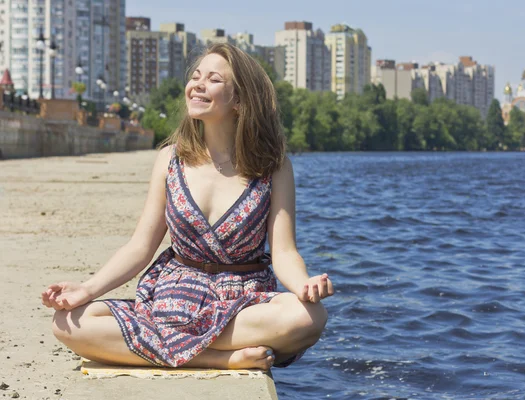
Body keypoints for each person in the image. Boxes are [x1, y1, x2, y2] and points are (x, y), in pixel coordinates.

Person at [41, 43, 334, 370]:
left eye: (213, 80)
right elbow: (141, 246)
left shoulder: (273, 167)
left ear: (239, 99)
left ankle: (168, 345)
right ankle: (220, 359)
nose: (197, 85)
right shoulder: (170, 160)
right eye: (195, 77)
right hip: (172, 298)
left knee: (310, 317)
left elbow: (284, 252)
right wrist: (87, 288)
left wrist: (303, 285)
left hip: (240, 302)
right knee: (66, 321)